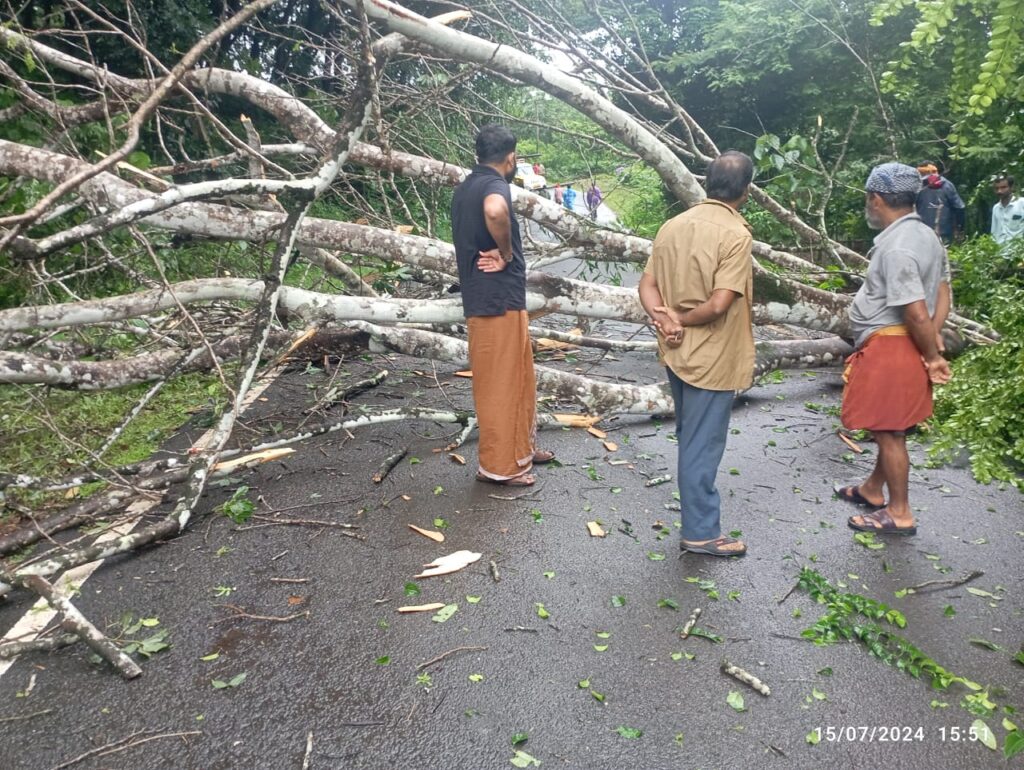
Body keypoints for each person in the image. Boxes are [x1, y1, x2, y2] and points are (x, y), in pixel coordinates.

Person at [638, 151, 755, 557]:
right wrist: (682, 320)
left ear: (708, 182)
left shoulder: (673, 225)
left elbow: (647, 285)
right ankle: (702, 532)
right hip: (712, 355)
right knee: (700, 445)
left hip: (677, 351)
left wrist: (665, 319)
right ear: (746, 190)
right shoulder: (736, 236)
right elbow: (721, 303)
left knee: (691, 437)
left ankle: (699, 523)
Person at [837, 162, 952, 535]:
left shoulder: (898, 248)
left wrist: (932, 356)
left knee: (889, 433)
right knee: (894, 424)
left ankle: (899, 512)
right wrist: (931, 339)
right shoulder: (927, 236)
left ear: (876, 198)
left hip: (892, 345)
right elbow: (943, 292)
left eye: (867, 199)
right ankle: (873, 490)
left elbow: (914, 308)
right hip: (907, 343)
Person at [450, 125, 555, 486]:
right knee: (499, 385)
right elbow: (495, 211)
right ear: (511, 158)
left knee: (519, 379)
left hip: (499, 299)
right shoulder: (494, 187)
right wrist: (507, 253)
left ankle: (521, 449)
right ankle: (499, 468)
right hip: (492, 300)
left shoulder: (466, 185)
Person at [914, 161, 965, 244]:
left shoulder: (917, 186)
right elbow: (959, 207)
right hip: (944, 234)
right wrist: (959, 229)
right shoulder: (948, 185)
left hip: (923, 233)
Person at [991, 175, 1024, 246]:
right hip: (1001, 253)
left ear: (1011, 188)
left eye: (1003, 187)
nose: (999, 191)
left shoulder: (1021, 203)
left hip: (1019, 252)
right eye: (997, 188)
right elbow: (994, 232)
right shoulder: (996, 208)